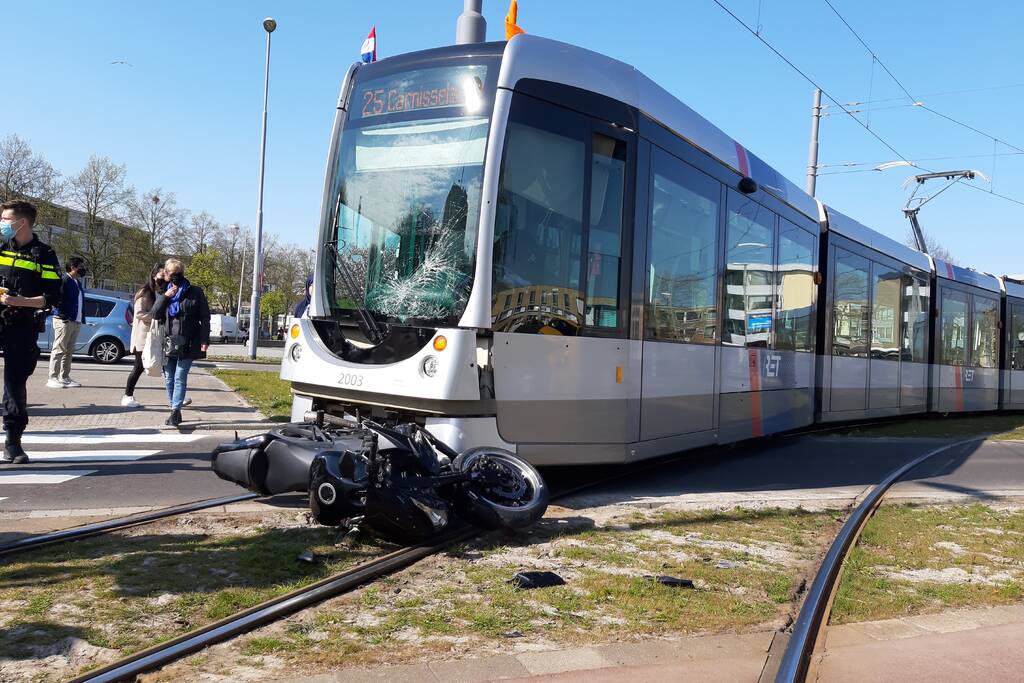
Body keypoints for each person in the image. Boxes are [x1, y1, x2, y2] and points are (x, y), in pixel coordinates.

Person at [0, 199, 63, 464]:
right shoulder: (1, 247)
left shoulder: (43, 254)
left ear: (21, 223)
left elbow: (53, 297)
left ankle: (13, 441)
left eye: (5, 220)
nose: (2, 225)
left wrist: (20, 301)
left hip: (21, 325)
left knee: (15, 382)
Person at [151, 258, 209, 427]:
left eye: (179, 274)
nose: (176, 277)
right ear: (166, 274)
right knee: (169, 377)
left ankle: (175, 410)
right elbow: (154, 313)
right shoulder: (164, 291)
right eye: (172, 274)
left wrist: (205, 339)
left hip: (188, 342)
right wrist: (165, 297)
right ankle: (174, 409)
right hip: (168, 342)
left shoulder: (195, 292)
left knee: (180, 376)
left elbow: (205, 317)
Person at [47, 256, 87, 388]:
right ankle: (52, 377)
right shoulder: (64, 280)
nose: (83, 269)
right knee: (59, 349)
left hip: (75, 321)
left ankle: (64, 377)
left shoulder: (77, 283)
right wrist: (63, 315)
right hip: (64, 320)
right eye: (80, 266)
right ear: (73, 267)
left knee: (69, 351)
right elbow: (58, 299)